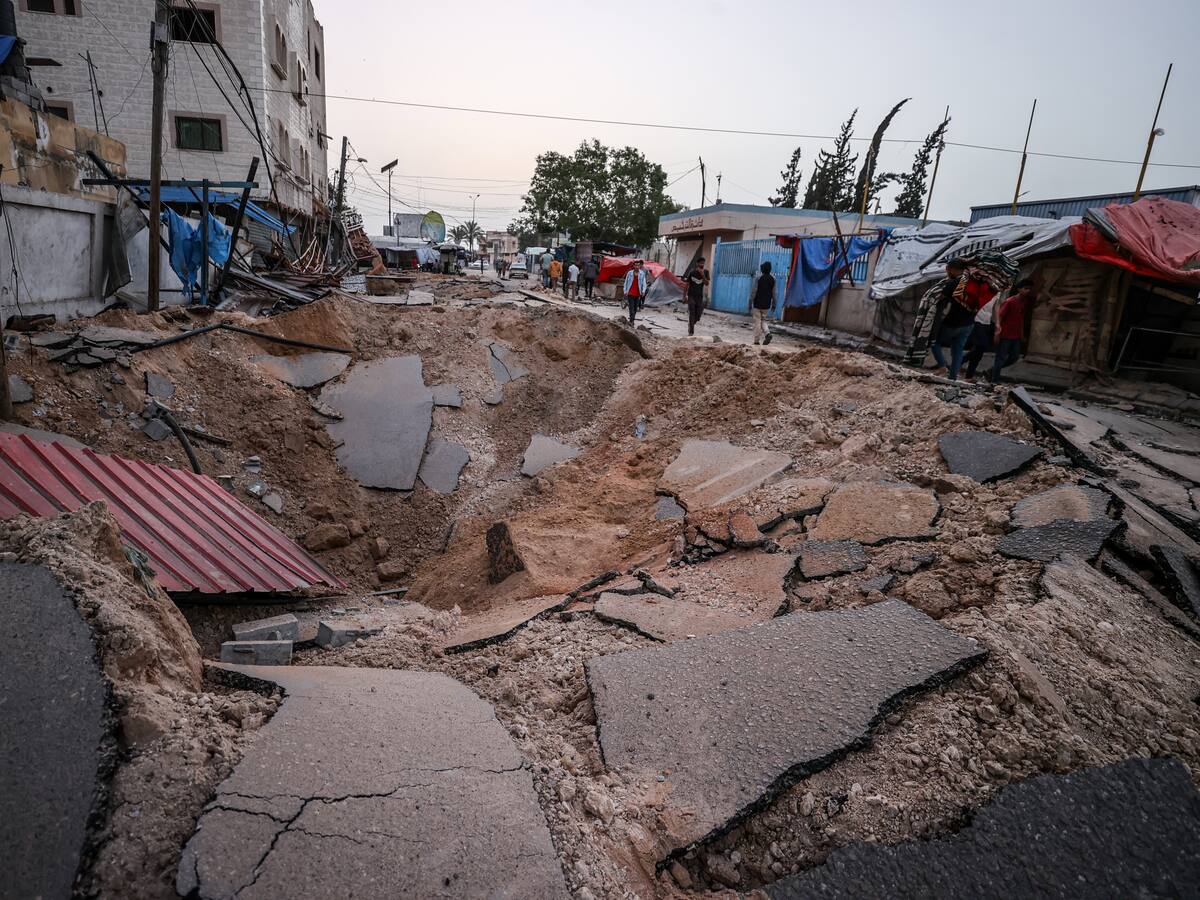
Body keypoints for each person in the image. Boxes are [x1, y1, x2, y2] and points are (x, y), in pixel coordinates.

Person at [931, 259, 993, 380]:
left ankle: (942, 366)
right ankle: (953, 376)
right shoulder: (975, 283)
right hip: (969, 323)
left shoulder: (954, 283)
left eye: (948, 269)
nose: (947, 271)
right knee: (958, 350)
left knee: (934, 342)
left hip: (952, 321)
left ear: (953, 269)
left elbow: (940, 301)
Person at [991, 278, 1035, 383]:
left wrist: (1022, 334)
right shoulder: (1010, 301)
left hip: (1016, 335)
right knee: (1000, 357)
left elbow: (1021, 319)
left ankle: (992, 371)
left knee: (1014, 357)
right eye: (1026, 288)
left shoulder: (1024, 302)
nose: (1028, 291)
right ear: (1019, 289)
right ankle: (994, 379)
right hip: (1005, 334)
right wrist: (997, 332)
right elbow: (1000, 317)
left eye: (1029, 289)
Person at [963, 293, 998, 380]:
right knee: (982, 346)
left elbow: (995, 308)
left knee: (979, 352)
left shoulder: (997, 292)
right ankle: (959, 362)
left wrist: (997, 323)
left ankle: (969, 375)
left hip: (987, 322)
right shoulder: (982, 287)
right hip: (976, 319)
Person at [749, 260, 776, 345]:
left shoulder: (758, 278)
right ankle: (767, 333)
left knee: (757, 321)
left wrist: (750, 302)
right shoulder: (773, 279)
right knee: (763, 320)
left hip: (757, 304)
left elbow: (754, 291)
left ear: (763, 269)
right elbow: (774, 293)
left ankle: (756, 341)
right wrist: (774, 304)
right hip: (766, 304)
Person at [684, 257, 710, 336]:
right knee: (692, 312)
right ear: (697, 264)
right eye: (700, 263)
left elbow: (706, 283)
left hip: (699, 297)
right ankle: (691, 331)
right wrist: (684, 296)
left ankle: (691, 323)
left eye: (703, 263)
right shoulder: (692, 272)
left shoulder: (706, 272)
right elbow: (687, 285)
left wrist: (702, 275)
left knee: (698, 314)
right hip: (691, 295)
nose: (702, 264)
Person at [623, 259, 647, 325]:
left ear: (640, 266)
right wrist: (625, 290)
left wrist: (643, 291)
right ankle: (632, 320)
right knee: (631, 307)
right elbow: (626, 282)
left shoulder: (642, 273)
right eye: (636, 265)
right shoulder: (630, 273)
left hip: (638, 293)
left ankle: (632, 319)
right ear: (633, 266)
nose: (637, 267)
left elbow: (644, 283)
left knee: (635, 308)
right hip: (630, 292)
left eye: (638, 265)